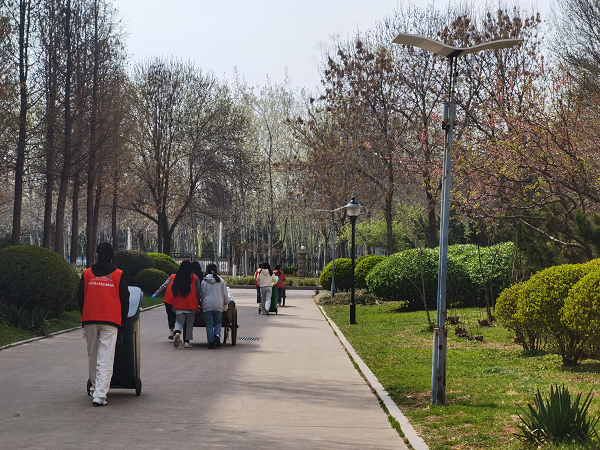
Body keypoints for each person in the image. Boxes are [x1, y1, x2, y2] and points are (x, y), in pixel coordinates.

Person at [78, 242, 130, 407]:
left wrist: (85, 314)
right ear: (112, 256)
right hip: (110, 320)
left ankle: (95, 388)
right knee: (105, 358)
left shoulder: (87, 274)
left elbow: (80, 297)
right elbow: (125, 298)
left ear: (97, 254)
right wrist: (123, 320)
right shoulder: (118, 274)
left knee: (93, 356)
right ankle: (100, 395)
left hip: (90, 319)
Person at [162, 260, 201, 348]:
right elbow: (198, 290)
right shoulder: (194, 277)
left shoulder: (177, 277)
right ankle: (187, 342)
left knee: (179, 322)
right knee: (189, 324)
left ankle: (177, 333)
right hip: (191, 304)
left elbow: (173, 289)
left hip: (178, 304)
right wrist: (198, 300)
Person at [201, 263, 230, 349]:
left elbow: (202, 294)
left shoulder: (204, 281)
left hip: (207, 305)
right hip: (218, 304)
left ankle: (210, 342)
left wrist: (202, 303)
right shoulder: (221, 281)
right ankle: (217, 335)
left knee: (209, 324)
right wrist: (226, 302)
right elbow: (225, 293)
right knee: (218, 322)